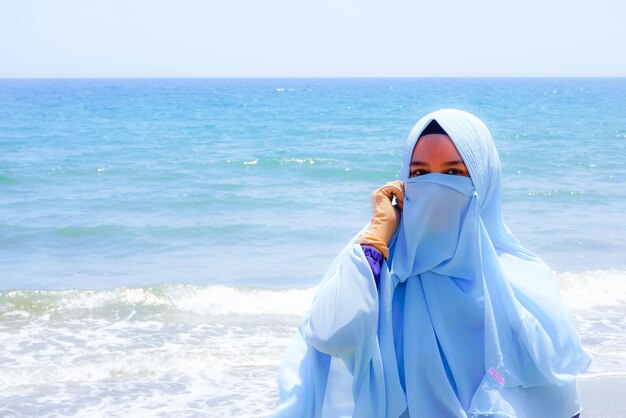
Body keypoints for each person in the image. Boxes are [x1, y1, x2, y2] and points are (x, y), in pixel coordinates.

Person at [275, 109, 591, 418]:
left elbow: (557, 399)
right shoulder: (380, 266)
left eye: (453, 173)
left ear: (483, 179)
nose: (435, 188)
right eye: (420, 173)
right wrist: (376, 236)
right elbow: (333, 333)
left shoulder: (523, 286)